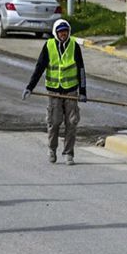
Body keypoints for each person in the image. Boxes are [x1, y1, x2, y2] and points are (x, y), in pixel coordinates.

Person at [22, 19, 87, 165]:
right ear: (56, 33)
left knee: (72, 122)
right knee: (54, 122)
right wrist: (30, 87)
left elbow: (81, 70)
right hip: (54, 92)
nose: (63, 34)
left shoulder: (74, 46)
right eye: (60, 32)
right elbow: (39, 68)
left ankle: (68, 153)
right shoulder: (49, 45)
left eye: (66, 31)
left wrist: (83, 92)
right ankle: (52, 150)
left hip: (71, 91)